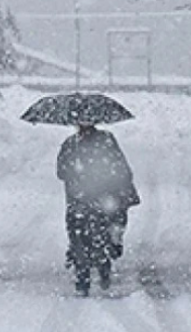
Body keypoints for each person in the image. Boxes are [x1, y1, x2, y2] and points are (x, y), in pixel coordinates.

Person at [57, 122, 139, 296]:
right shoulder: (106, 141)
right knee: (101, 234)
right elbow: (120, 167)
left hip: (81, 200)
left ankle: (83, 278)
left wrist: (77, 174)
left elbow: (61, 172)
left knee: (79, 237)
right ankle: (102, 268)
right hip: (101, 199)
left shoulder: (71, 144)